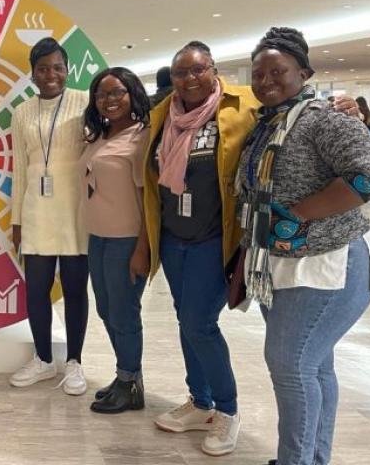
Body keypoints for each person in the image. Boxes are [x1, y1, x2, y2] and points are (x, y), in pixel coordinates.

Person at [236, 27, 370, 465]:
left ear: (304, 72)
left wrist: (300, 213)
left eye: (277, 72)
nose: (265, 81)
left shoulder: (325, 118)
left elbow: (368, 178)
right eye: (258, 74)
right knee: (313, 364)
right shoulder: (267, 124)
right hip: (279, 262)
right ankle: (311, 459)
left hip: (328, 259)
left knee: (289, 363)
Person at [142, 40, 255, 456]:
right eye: (180, 73)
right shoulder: (162, 115)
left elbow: (282, 117)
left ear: (213, 69)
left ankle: (227, 409)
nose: (189, 79)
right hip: (173, 238)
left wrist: (344, 108)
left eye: (198, 70)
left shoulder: (242, 107)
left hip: (214, 238)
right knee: (183, 319)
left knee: (200, 323)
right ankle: (201, 401)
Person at [9, 37, 89, 395]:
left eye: (57, 67)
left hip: (76, 213)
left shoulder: (85, 102)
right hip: (36, 212)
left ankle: (74, 362)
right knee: (36, 291)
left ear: (67, 69)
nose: (51, 74)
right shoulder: (22, 112)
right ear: (33, 73)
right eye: (43, 68)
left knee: (75, 291)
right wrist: (16, 220)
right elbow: (21, 171)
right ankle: (43, 359)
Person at [79, 67, 152, 414]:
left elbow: (147, 199)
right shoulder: (100, 136)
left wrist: (143, 248)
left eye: (117, 92)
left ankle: (130, 384)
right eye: (102, 94)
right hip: (98, 236)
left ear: (132, 94)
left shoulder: (142, 137)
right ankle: (126, 375)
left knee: (124, 312)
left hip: (127, 239)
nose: (109, 100)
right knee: (107, 310)